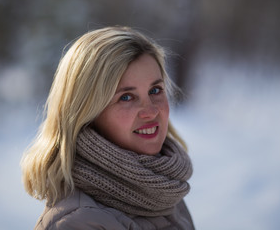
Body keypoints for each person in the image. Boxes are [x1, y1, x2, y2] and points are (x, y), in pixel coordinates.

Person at [21, 26, 195, 230]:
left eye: (155, 90)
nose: (150, 111)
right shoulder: (78, 223)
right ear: (87, 112)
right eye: (126, 97)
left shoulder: (163, 191)